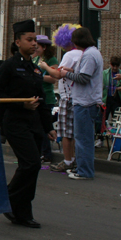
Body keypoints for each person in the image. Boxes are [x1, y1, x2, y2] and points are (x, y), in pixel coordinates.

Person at [0, 20, 56, 228]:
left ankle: (23, 212)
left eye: (35, 40)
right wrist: (21, 104)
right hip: (15, 122)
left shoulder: (35, 69)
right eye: (29, 40)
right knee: (31, 163)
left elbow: (42, 99)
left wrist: (49, 127)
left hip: (34, 124)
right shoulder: (8, 66)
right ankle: (7, 199)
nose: (34, 43)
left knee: (32, 168)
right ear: (17, 42)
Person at [59, 27, 103, 180]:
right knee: (84, 138)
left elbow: (84, 78)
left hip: (85, 102)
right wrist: (72, 70)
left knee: (83, 139)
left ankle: (84, 171)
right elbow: (84, 74)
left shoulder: (90, 55)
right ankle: (83, 168)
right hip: (86, 101)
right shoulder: (92, 53)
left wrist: (66, 74)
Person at [41, 23, 81, 173]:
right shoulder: (84, 54)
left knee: (65, 132)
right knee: (77, 132)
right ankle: (76, 160)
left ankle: (68, 160)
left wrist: (45, 67)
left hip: (67, 97)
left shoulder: (70, 55)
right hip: (78, 97)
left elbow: (57, 74)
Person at [33, 35, 58, 163]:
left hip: (46, 97)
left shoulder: (51, 60)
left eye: (37, 47)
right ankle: (38, 153)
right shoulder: (37, 58)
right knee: (36, 127)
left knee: (44, 127)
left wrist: (38, 77)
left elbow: (53, 78)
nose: (35, 49)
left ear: (44, 47)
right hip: (36, 96)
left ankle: (47, 154)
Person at [103, 56, 121, 122]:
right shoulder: (105, 73)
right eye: (113, 65)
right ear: (110, 64)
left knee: (117, 119)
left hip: (117, 99)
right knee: (103, 119)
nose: (115, 68)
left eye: (117, 66)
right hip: (106, 99)